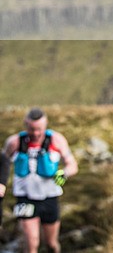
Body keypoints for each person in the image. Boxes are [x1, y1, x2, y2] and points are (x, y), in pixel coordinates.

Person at [2, 108, 78, 253]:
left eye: (39, 129)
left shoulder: (57, 140)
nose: (36, 133)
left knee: (51, 244)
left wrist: (64, 173)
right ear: (25, 124)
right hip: (24, 197)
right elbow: (2, 164)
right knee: (31, 244)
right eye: (31, 129)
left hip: (50, 198)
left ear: (46, 125)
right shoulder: (14, 142)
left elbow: (73, 165)